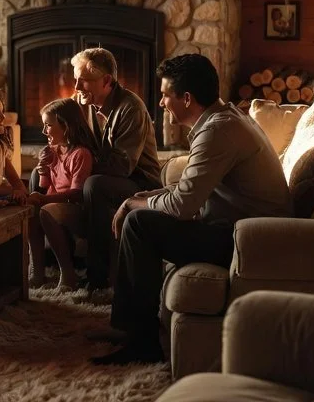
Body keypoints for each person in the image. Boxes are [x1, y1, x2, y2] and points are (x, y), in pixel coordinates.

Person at [92, 54, 293, 366]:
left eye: (165, 95)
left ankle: (142, 342)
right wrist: (144, 196)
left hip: (249, 241)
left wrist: (134, 203)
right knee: (140, 213)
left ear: (187, 98)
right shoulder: (223, 120)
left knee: (140, 224)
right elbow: (189, 187)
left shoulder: (218, 131)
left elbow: (182, 205)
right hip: (238, 229)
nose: (161, 103)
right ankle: (129, 327)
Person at [73, 47, 162, 290]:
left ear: (106, 81)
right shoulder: (83, 102)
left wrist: (81, 166)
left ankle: (98, 276)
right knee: (39, 175)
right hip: (106, 173)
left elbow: (122, 166)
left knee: (95, 185)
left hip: (140, 182)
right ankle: (56, 265)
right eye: (76, 79)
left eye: (83, 80)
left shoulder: (131, 108)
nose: (77, 87)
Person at [27, 98, 97, 290]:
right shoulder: (53, 151)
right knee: (31, 211)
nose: (44, 131)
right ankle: (36, 271)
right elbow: (46, 185)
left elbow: (75, 194)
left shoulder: (81, 154)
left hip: (75, 209)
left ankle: (68, 274)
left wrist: (43, 199)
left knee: (45, 210)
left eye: (48, 125)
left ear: (66, 126)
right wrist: (43, 170)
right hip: (56, 204)